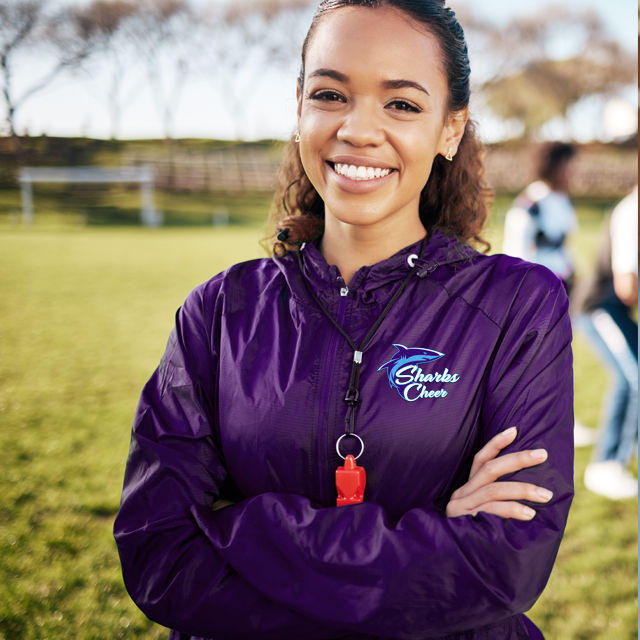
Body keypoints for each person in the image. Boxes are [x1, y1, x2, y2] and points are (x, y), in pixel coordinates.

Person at [114, 2, 574, 639]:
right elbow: (159, 554)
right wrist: (439, 529)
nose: (359, 130)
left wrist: (238, 526)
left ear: (450, 128)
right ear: (299, 107)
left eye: (402, 104)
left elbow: (503, 564)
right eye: (331, 94)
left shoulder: (519, 305)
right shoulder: (218, 312)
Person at [576, 186, 638, 500]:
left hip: (617, 310)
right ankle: (606, 465)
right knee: (634, 378)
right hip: (601, 308)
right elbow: (626, 287)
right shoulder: (632, 211)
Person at [502, 142, 578, 298]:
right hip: (538, 288)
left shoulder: (563, 201)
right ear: (552, 166)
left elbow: (565, 244)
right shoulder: (531, 203)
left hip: (561, 282)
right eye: (567, 165)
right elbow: (517, 251)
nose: (572, 172)